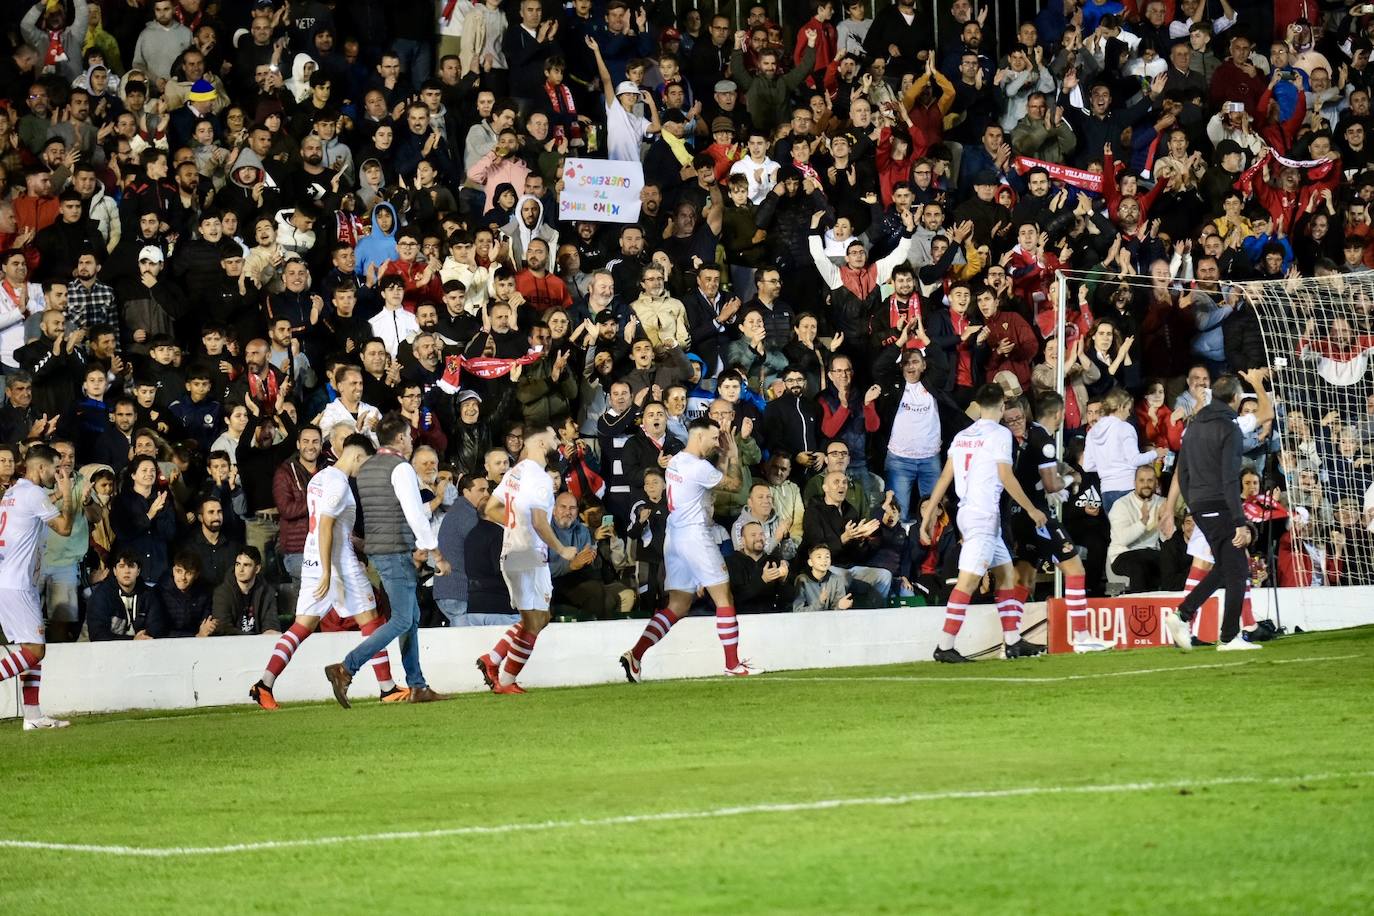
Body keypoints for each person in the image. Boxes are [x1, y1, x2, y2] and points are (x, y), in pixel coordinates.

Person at [250, 435, 409, 709]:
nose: (363, 471)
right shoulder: (338, 483)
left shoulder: (320, 478)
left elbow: (330, 528)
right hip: (338, 565)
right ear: (357, 456)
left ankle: (264, 684)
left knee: (302, 626)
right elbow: (325, 526)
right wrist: (328, 572)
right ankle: (387, 688)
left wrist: (356, 544)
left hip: (313, 558)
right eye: (365, 464)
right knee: (371, 620)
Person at [619, 416, 755, 681]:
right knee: (724, 597)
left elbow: (714, 483)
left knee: (678, 605)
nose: (718, 443)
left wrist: (723, 455)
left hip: (675, 536)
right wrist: (734, 455)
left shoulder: (676, 461)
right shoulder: (697, 467)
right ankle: (732, 663)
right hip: (695, 535)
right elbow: (735, 486)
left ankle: (635, 655)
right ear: (698, 436)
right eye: (714, 438)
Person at [919, 385, 1048, 663]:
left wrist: (928, 515)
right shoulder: (1000, 434)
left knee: (1006, 575)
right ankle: (944, 645)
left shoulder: (963, 435)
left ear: (978, 405)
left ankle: (1013, 642)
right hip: (983, 516)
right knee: (968, 582)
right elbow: (1006, 476)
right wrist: (1032, 509)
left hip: (968, 512)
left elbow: (944, 478)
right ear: (1002, 407)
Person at [327, 413, 445, 705]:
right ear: (402, 438)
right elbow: (413, 512)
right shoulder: (400, 468)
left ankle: (417, 685)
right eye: (409, 436)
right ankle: (346, 667)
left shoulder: (366, 468)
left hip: (377, 550)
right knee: (404, 619)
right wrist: (434, 551)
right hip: (395, 550)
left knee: (411, 618)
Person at [1164, 374, 1265, 652]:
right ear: (1234, 399)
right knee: (1238, 571)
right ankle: (1229, 637)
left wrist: (1192, 502)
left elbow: (1182, 470)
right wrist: (1239, 521)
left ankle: (1183, 614)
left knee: (1224, 568)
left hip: (1198, 505)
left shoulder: (1194, 427)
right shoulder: (1228, 428)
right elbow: (1230, 478)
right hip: (1220, 505)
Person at [474, 426, 578, 694]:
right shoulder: (539, 477)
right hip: (527, 553)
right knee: (534, 621)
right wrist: (562, 549)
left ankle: (493, 659)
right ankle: (506, 682)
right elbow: (539, 521)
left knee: (541, 617)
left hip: (518, 551)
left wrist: (513, 526)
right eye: (554, 437)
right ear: (541, 442)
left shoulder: (514, 473)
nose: (558, 442)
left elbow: (490, 508)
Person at [1012, 392, 1109, 652]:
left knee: (1024, 578)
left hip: (1018, 515)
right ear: (1058, 414)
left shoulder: (1029, 433)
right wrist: (1070, 480)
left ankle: (1010, 641)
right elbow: (1051, 484)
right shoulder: (1045, 440)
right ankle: (1081, 636)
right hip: (1038, 516)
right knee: (1076, 569)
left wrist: (1063, 469)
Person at [0, 445, 77, 729]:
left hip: (14, 581)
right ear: (41, 468)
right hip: (17, 584)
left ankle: (32, 716)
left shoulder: (14, 492)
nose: (57, 474)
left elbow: (36, 508)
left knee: (31, 648)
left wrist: (56, 494)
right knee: (35, 651)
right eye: (54, 468)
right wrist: (67, 492)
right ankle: (32, 715)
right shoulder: (32, 493)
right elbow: (65, 528)